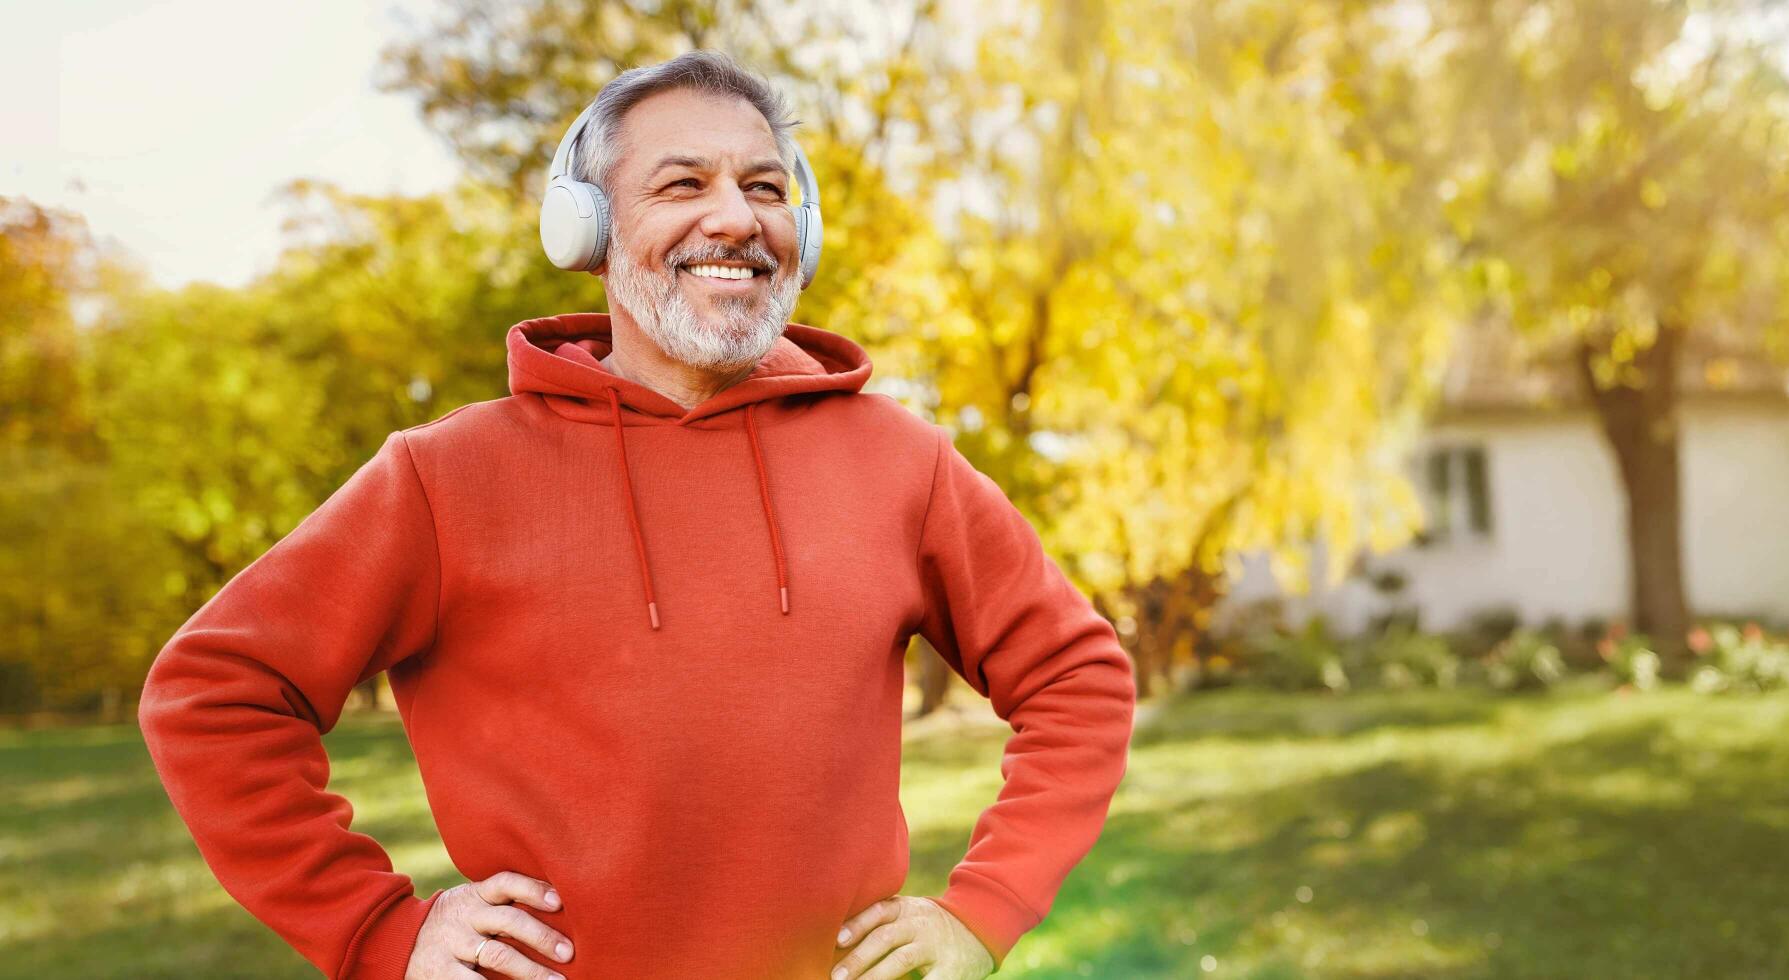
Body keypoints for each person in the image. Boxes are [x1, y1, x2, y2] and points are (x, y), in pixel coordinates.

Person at [138, 49, 1136, 980]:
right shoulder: (446, 478)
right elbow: (215, 692)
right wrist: (379, 928)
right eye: (682, 183)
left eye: (764, 186)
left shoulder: (901, 461)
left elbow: (1076, 675)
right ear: (588, 230)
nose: (735, 218)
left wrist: (984, 906)